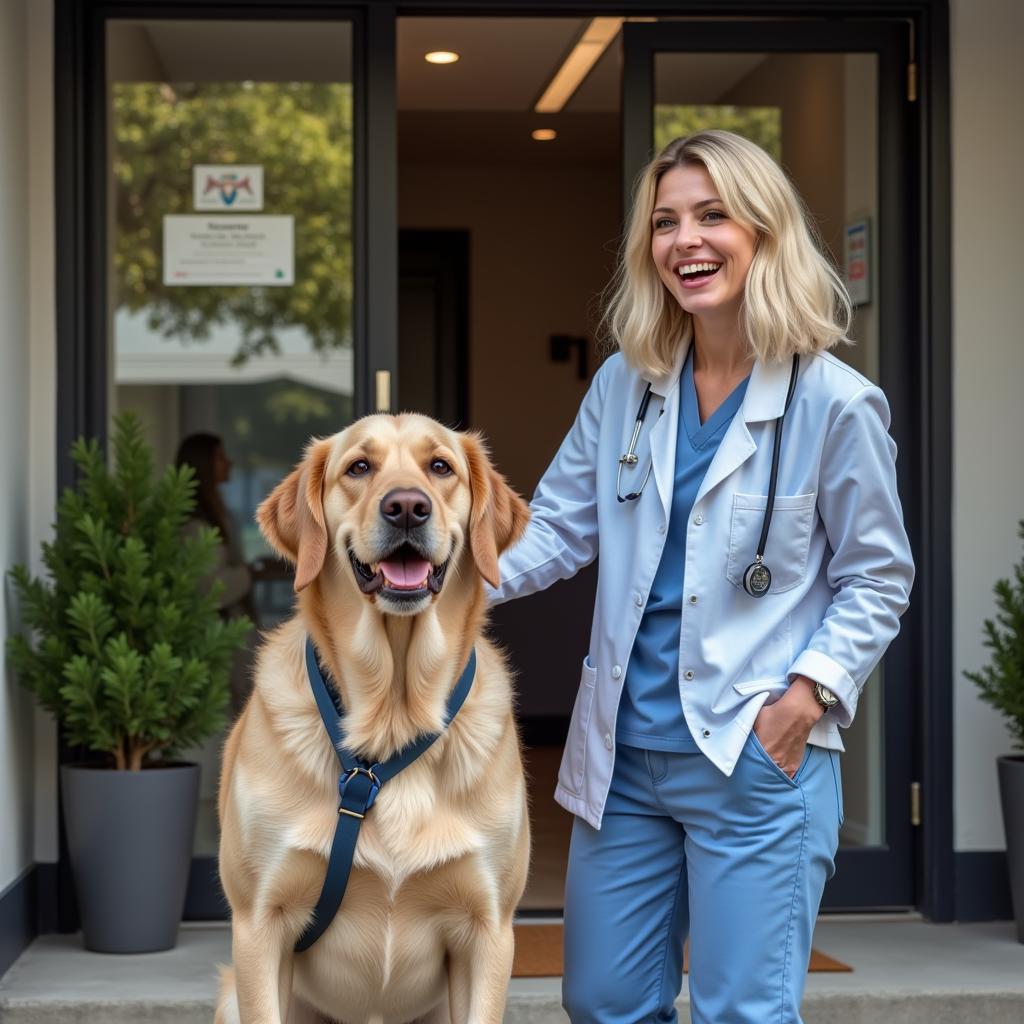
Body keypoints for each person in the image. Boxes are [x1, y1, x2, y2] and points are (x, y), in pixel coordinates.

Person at [488, 130, 914, 1023]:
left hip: (755, 757)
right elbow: (556, 529)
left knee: (742, 1012)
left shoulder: (835, 401)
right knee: (604, 1001)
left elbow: (878, 577)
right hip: (625, 762)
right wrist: (431, 581)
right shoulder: (625, 386)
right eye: (666, 221)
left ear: (765, 230)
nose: (687, 240)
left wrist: (805, 699)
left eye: (712, 215)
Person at [175, 433, 268, 715]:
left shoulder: (218, 515)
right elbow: (210, 588)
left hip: (228, 631)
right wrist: (249, 572)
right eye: (220, 457)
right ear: (204, 464)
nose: (228, 463)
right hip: (215, 636)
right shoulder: (195, 525)